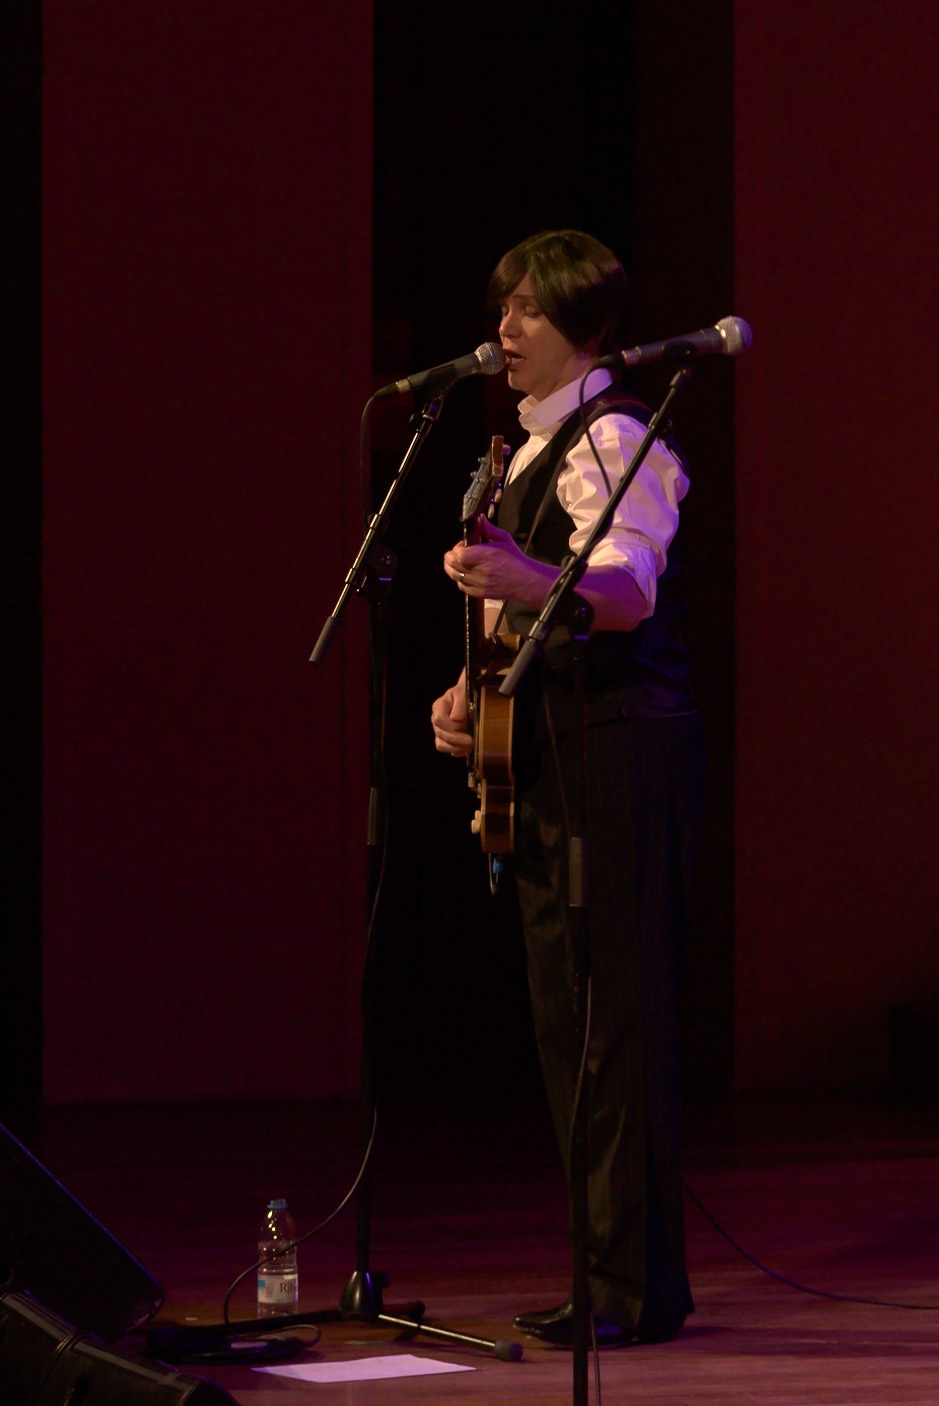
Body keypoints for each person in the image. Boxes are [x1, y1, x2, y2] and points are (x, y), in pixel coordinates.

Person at [430, 229, 705, 1347]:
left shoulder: (618, 436)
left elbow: (624, 587)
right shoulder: (534, 448)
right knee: (570, 1021)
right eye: (502, 308)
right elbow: (529, 608)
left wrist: (528, 578)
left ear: (586, 330)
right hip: (554, 746)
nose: (503, 330)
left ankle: (635, 1287)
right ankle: (607, 1273)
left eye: (528, 313)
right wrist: (472, 687)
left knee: (614, 1020)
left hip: (616, 750)